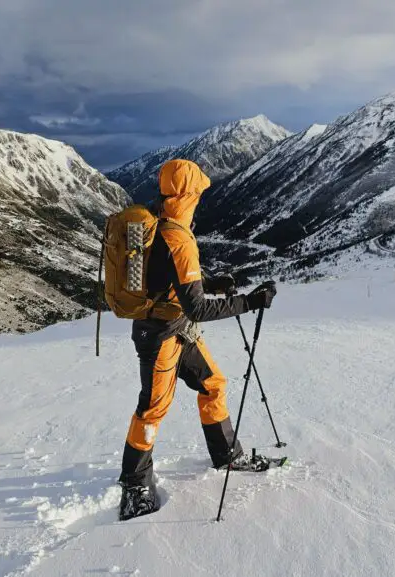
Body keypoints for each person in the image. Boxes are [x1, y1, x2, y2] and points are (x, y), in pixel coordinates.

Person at [117, 158, 277, 521]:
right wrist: (249, 302)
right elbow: (199, 310)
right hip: (161, 336)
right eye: (199, 192)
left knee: (213, 384)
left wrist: (212, 283)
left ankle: (226, 455)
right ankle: (134, 485)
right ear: (189, 193)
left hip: (173, 328)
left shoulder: (160, 220)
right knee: (152, 409)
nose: (201, 198)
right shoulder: (176, 234)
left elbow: (171, 277)